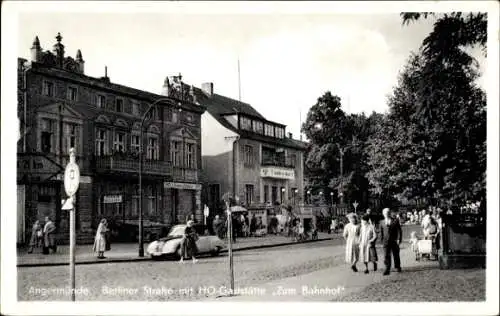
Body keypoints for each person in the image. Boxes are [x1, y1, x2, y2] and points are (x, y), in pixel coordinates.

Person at [379, 208, 402, 275]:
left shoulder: (395, 220)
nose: (387, 214)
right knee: (386, 255)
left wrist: (398, 239)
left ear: (390, 213)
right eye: (385, 213)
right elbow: (381, 232)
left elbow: (399, 231)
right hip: (385, 241)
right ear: (383, 214)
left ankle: (397, 266)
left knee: (396, 254)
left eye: (388, 213)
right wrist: (381, 241)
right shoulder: (381, 222)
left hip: (394, 240)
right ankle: (387, 268)